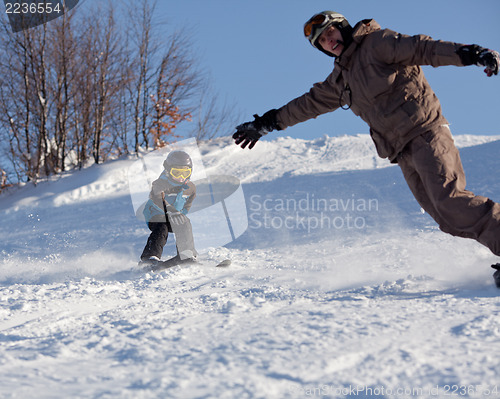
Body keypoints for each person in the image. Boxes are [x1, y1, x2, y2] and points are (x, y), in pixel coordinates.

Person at [232, 11, 500, 282]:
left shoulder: (377, 43)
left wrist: (473, 54)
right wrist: (267, 123)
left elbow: (424, 48)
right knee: (447, 218)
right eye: (322, 41)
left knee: (451, 200)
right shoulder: (341, 79)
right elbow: (307, 104)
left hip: (425, 133)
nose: (329, 40)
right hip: (402, 151)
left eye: (331, 32)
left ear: (343, 28)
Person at [140, 150, 198, 265]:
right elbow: (157, 199)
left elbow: (188, 204)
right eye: (176, 173)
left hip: (174, 216)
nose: (181, 177)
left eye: (185, 173)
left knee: (185, 222)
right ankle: (149, 257)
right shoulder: (159, 184)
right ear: (167, 170)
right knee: (162, 226)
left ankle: (186, 254)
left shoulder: (190, 188)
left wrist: (181, 214)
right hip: (155, 214)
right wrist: (170, 210)